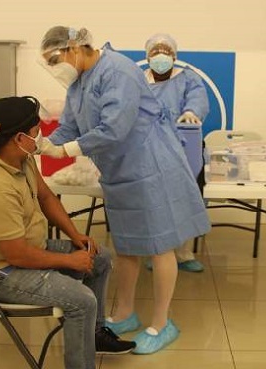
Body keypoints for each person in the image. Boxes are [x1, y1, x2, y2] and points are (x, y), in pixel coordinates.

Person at [38, 26, 211, 354]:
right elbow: (71, 126)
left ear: (75, 48)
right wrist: (43, 144)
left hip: (151, 168)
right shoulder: (79, 82)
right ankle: (124, 312)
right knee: (127, 247)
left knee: (160, 247)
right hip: (120, 172)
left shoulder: (119, 70)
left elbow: (114, 128)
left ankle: (162, 323)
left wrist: (64, 151)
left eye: (54, 59)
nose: (54, 66)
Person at [0, 96, 136, 369]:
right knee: (82, 301)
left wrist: (74, 235)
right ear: (19, 138)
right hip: (3, 272)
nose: (41, 136)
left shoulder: (19, 157)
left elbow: (46, 197)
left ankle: (94, 335)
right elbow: (16, 255)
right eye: (35, 132)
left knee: (99, 258)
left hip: (29, 249)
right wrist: (68, 260)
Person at [143, 33, 209, 273]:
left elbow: (198, 98)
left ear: (174, 56)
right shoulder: (140, 81)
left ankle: (183, 253)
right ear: (147, 56)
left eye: (166, 51)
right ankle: (157, 251)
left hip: (184, 147)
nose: (161, 56)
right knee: (155, 201)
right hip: (150, 149)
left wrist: (192, 111)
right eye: (156, 51)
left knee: (185, 198)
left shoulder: (187, 78)